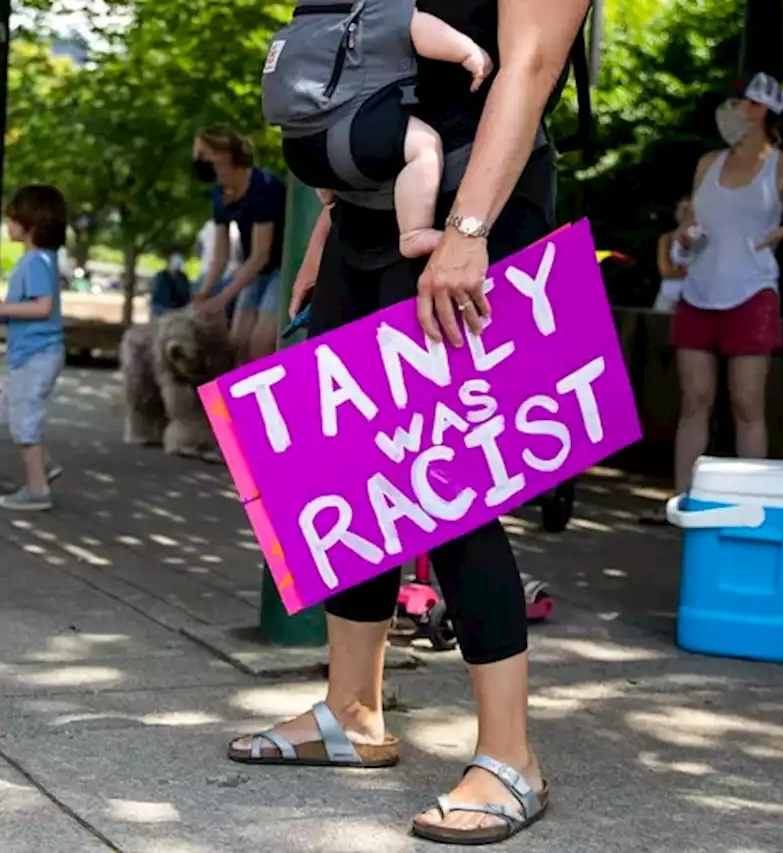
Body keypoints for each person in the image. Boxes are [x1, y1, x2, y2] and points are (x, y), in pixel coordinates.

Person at [227, 0, 592, 845]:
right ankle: (352, 713)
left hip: (473, 205)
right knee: (354, 470)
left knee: (452, 483)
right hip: (371, 211)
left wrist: (469, 231)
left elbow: (531, 67)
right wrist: (328, 224)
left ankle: (511, 757)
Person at [664, 73, 783, 514]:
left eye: (742, 103)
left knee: (746, 404)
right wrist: (684, 237)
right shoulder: (708, 162)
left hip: (752, 295)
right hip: (698, 292)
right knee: (694, 401)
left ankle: (751, 506)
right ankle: (683, 503)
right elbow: (689, 224)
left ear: (762, 110)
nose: (732, 111)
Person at [268, 4, 490, 259]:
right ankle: (414, 233)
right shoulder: (381, 9)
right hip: (351, 141)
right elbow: (422, 31)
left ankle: (330, 186)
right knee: (424, 146)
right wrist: (468, 53)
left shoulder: (309, 16)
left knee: (333, 127)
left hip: (299, 152)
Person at [0, 185, 68, 511]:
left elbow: (42, 307)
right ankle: (45, 467)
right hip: (32, 353)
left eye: (13, 217)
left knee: (25, 418)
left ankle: (37, 489)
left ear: (31, 222)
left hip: (36, 355)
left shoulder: (35, 262)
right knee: (11, 411)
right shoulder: (42, 260)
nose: (8, 223)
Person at [189, 127, 285, 363]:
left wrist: (221, 300)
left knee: (261, 344)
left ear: (223, 155)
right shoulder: (219, 196)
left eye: (202, 154)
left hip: (282, 268)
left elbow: (261, 255)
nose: (197, 161)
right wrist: (204, 294)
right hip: (254, 271)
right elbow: (220, 256)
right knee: (238, 345)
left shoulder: (264, 186)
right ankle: (238, 399)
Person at [652, 197, 692, 312]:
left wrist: (678, 270)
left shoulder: (704, 239)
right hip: (668, 295)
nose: (685, 213)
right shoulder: (667, 238)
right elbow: (665, 270)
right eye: (683, 209)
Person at [149, 251, 192, 318]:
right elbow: (159, 296)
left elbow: (186, 295)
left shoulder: (182, 277)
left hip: (178, 310)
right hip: (162, 309)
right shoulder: (161, 276)